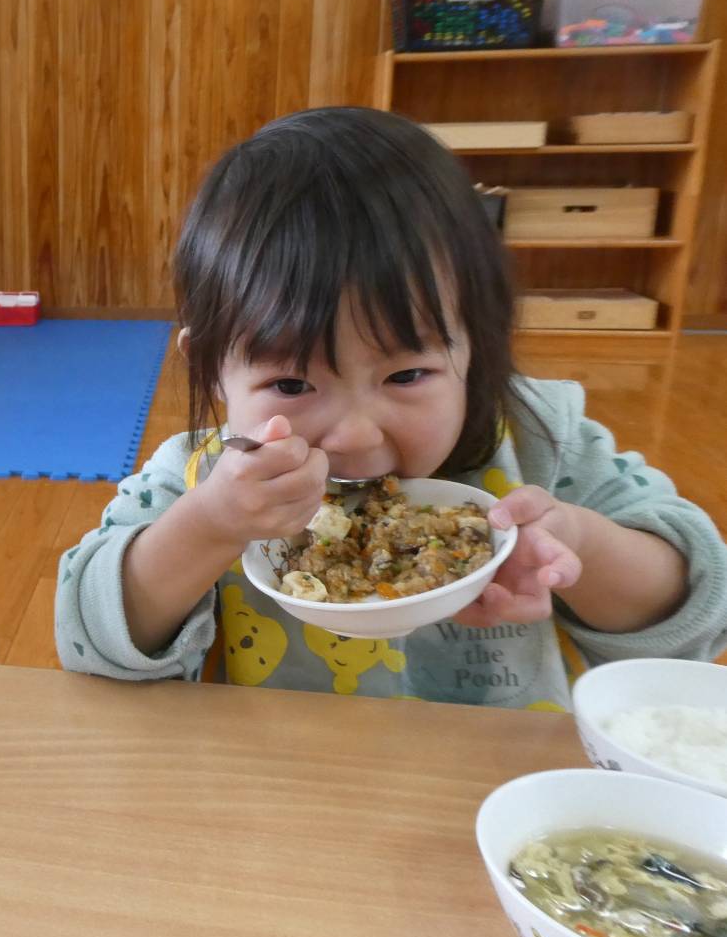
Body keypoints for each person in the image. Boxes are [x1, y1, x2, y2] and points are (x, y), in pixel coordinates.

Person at [56, 107, 727, 709]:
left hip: (503, 785)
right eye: (291, 384)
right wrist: (208, 526)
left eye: (406, 374)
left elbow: (702, 611)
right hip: (279, 784)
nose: (353, 434)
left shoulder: (542, 442)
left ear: (475, 349)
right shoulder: (199, 478)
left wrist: (579, 544)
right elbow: (88, 641)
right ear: (212, 372)